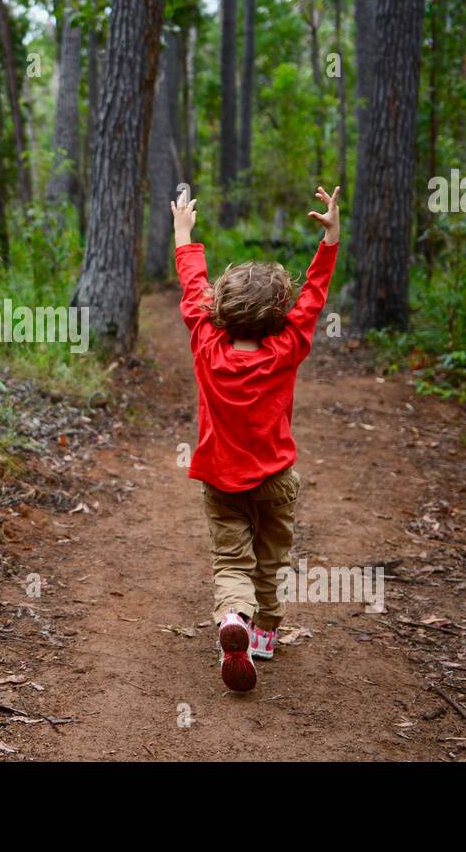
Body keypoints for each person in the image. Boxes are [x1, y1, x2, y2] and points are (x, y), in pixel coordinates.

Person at [171, 184, 341, 692]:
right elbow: (313, 300)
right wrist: (328, 242)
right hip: (275, 479)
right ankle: (265, 633)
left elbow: (192, 286)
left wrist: (184, 233)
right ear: (279, 316)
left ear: (221, 307)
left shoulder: (206, 342)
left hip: (222, 481)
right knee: (271, 557)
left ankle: (233, 618)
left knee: (231, 559)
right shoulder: (287, 347)